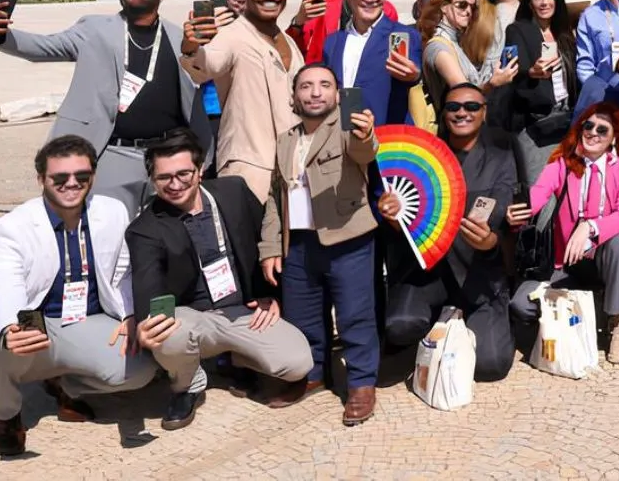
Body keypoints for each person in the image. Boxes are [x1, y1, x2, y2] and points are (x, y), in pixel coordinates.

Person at [0, 135, 157, 457]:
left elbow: (124, 269)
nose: (71, 184)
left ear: (93, 177)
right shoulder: (10, 228)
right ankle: (6, 415)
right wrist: (10, 328)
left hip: (87, 317)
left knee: (139, 370)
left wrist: (129, 314)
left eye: (81, 176)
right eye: (59, 177)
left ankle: (65, 385)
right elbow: (4, 284)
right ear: (41, 179)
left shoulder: (113, 211)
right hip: (36, 317)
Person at [0, 0, 210, 210]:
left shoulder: (179, 38)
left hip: (167, 157)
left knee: (165, 237)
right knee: (108, 235)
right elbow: (44, 47)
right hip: (114, 155)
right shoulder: (94, 29)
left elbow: (201, 83)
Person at [128, 129, 314, 430]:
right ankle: (186, 384)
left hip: (241, 310)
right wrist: (147, 326)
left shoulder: (232, 192)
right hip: (193, 318)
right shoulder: (145, 229)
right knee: (165, 332)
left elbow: (264, 240)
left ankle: (235, 358)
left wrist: (271, 296)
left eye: (184, 173)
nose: (175, 184)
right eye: (164, 178)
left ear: (200, 170)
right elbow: (149, 292)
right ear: (153, 180)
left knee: (296, 362)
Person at [257, 65, 381, 424]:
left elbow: (364, 151)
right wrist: (269, 248)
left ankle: (361, 384)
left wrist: (365, 133)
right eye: (306, 86)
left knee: (355, 315)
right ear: (295, 95)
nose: (315, 93)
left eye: (325, 85)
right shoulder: (286, 139)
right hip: (298, 243)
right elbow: (274, 197)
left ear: (337, 93)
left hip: (347, 239)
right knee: (303, 317)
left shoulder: (347, 127)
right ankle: (311, 375)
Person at [379, 82, 517, 381]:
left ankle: (487, 319)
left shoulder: (501, 156)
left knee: (490, 366)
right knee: (400, 326)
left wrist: (490, 241)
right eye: (453, 107)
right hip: (428, 274)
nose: (461, 113)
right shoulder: (423, 157)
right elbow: (408, 225)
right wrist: (394, 217)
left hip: (478, 272)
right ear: (443, 114)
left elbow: (503, 219)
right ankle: (434, 323)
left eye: (471, 107)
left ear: (484, 112)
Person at [507, 103, 619, 365]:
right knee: (521, 304)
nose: (593, 133)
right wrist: (517, 212)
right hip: (567, 263)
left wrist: (590, 227)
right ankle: (572, 320)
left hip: (605, 259)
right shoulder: (563, 163)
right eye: (588, 126)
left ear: (614, 137)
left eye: (603, 129)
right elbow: (538, 193)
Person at [180, 0, 305, 202]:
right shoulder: (232, 35)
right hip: (249, 167)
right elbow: (206, 64)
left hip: (292, 168)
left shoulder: (288, 41)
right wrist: (191, 45)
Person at [495, 0, 582, 180]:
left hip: (567, 117)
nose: (544, 2)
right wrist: (531, 73)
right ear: (530, 3)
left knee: (567, 181)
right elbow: (512, 70)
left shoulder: (564, 33)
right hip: (536, 121)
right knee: (540, 184)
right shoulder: (517, 30)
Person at [322, 0, 420, 130]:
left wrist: (413, 75)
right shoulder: (333, 42)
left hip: (387, 139)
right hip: (343, 137)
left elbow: (415, 69)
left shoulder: (403, 34)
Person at [422, 0, 517, 101]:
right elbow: (464, 95)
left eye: (472, 7)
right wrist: (493, 83)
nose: (468, 11)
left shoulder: (455, 41)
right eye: (462, 5)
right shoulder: (439, 48)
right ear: (444, 7)